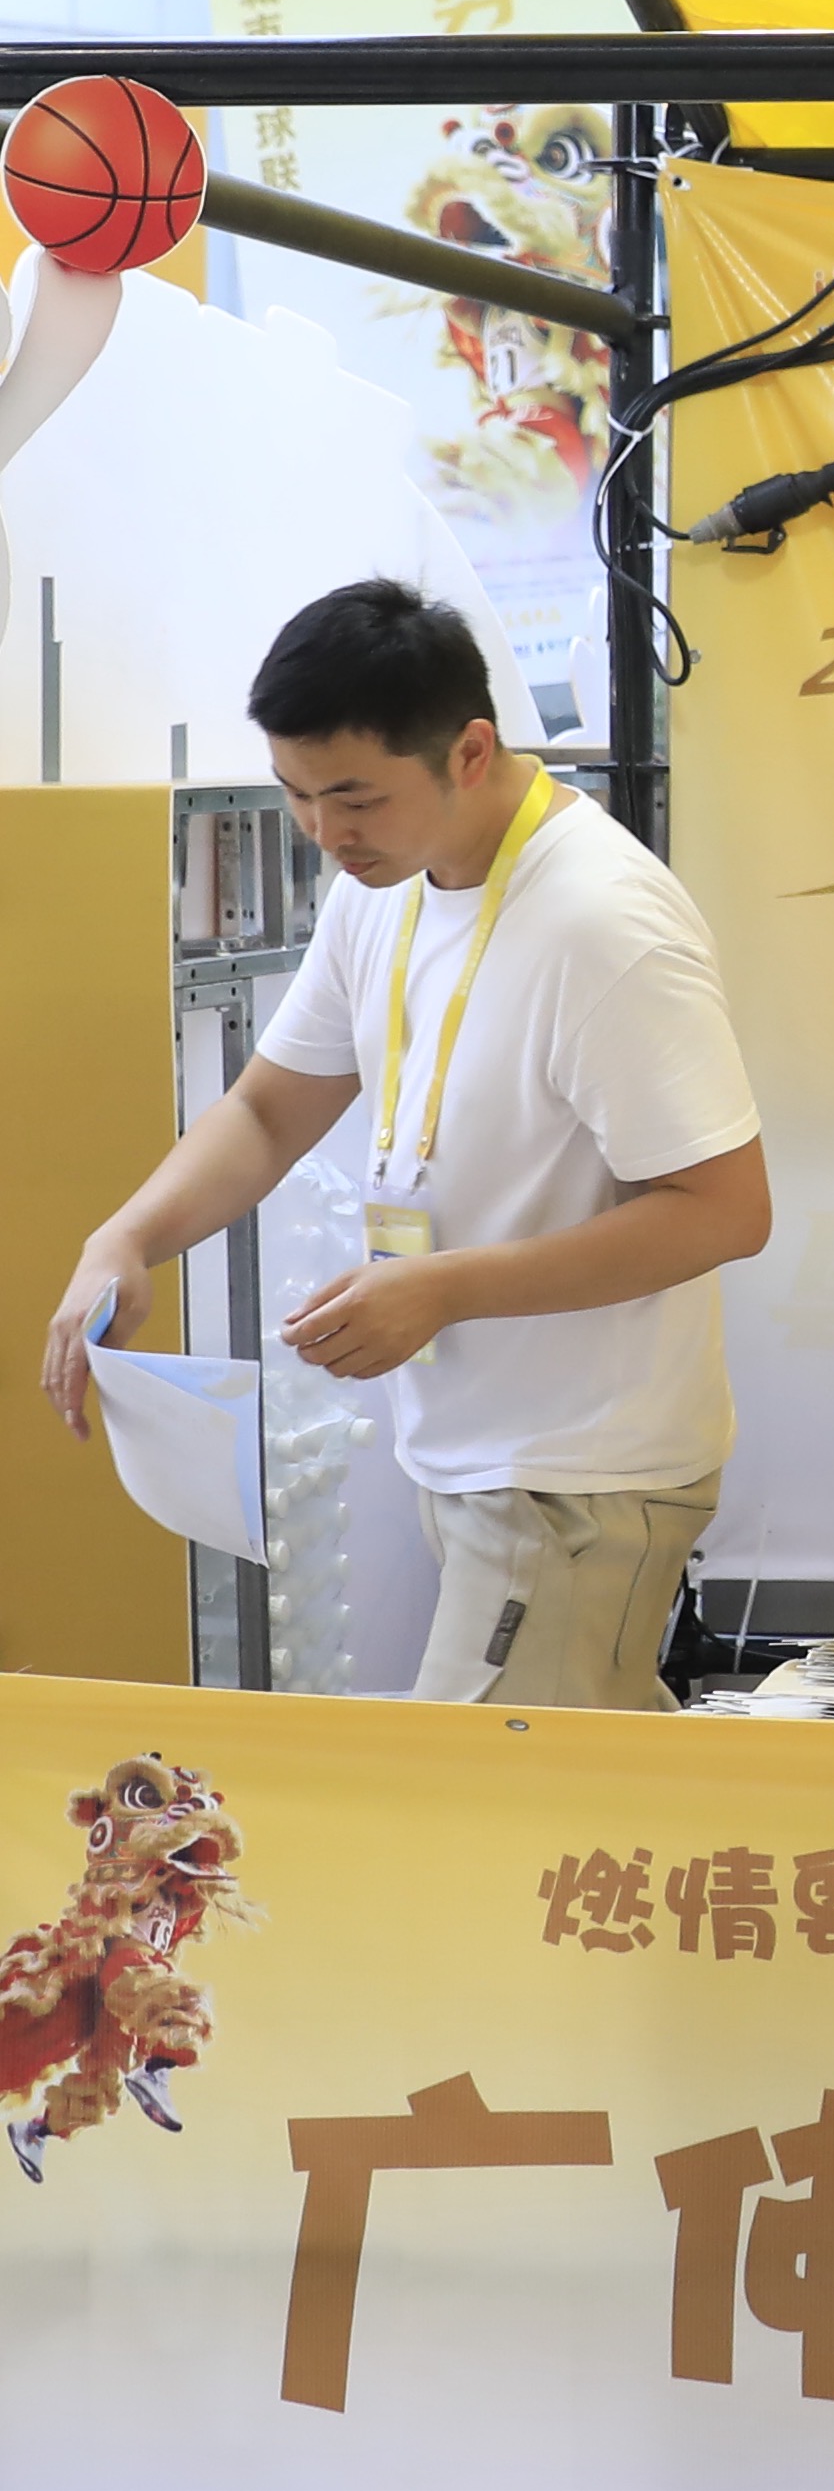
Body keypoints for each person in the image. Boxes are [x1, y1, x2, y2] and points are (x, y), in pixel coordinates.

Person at [37, 579, 768, 1709]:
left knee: (482, 1793)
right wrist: (127, 1236)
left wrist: (442, 1288)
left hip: (581, 1471)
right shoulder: (384, 883)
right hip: (477, 1456)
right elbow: (268, 1110)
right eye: (296, 795)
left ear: (469, 751)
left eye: (355, 798)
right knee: (577, 1786)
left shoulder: (603, 921)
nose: (326, 836)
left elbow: (724, 1209)